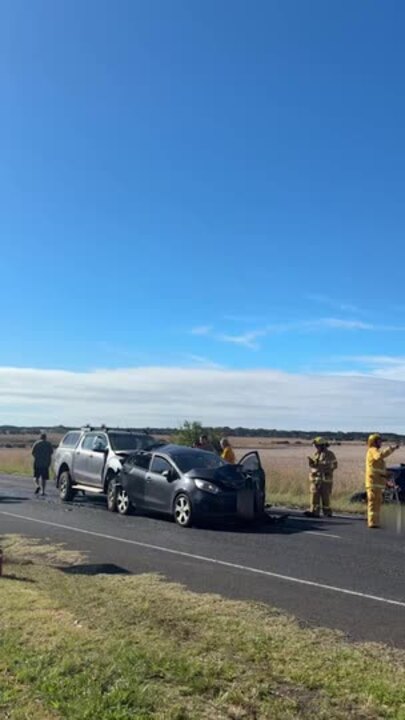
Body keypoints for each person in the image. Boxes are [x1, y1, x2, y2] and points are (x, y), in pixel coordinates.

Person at [365, 434, 399, 529]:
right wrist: (391, 449)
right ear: (374, 442)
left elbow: (379, 470)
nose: (381, 443)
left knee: (377, 503)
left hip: (378, 484)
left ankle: (375, 522)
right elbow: (379, 456)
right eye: (379, 441)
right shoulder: (372, 450)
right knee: (373, 503)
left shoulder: (376, 454)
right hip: (373, 483)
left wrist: (387, 476)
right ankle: (372, 522)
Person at [305, 437, 337, 518]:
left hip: (325, 480)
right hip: (315, 480)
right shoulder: (316, 454)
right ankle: (314, 512)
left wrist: (322, 467)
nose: (316, 447)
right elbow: (315, 466)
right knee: (314, 496)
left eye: (317, 446)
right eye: (315, 446)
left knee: (325, 497)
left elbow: (334, 465)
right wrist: (312, 464)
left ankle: (327, 512)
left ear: (323, 445)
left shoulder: (330, 454)